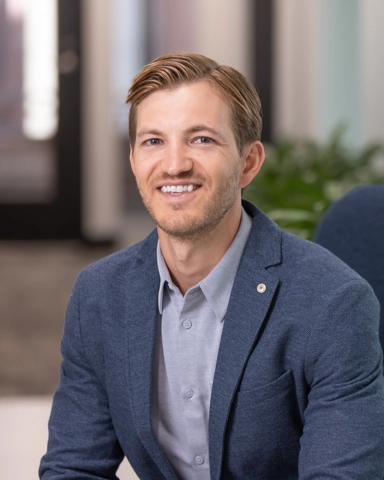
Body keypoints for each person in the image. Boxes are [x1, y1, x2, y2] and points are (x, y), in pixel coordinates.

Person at [39, 52, 384, 480]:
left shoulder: (332, 303)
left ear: (249, 163)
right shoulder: (100, 295)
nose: (174, 164)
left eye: (201, 139)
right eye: (153, 141)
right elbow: (74, 466)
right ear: (133, 161)